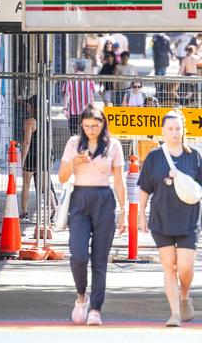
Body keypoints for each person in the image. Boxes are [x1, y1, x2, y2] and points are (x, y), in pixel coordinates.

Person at [138, 110, 202, 327]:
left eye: (177, 128)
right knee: (168, 266)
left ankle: (185, 295)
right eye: (170, 129)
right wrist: (141, 215)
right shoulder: (154, 157)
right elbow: (144, 189)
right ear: (163, 131)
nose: (174, 133)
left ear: (183, 130)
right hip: (161, 219)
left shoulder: (194, 156)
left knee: (185, 267)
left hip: (189, 220)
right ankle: (174, 313)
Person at [58, 105, 126, 326]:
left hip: (104, 199)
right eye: (86, 126)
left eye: (95, 125)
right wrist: (74, 162)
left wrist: (124, 211)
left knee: (99, 259)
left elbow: (118, 180)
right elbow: (61, 177)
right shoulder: (74, 143)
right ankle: (81, 297)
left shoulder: (113, 145)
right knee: (78, 255)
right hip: (80, 198)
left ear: (103, 124)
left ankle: (96, 308)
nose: (91, 130)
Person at [21, 95, 57, 221]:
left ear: (32, 106)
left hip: (31, 155)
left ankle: (24, 214)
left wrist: (22, 159)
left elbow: (27, 142)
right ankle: (54, 210)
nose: (26, 106)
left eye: (28, 104)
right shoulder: (45, 121)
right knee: (46, 186)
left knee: (26, 184)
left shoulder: (30, 121)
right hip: (44, 155)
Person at [63, 61, 95, 136]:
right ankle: (84, 146)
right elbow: (91, 95)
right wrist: (92, 108)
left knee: (73, 132)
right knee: (85, 132)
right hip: (85, 111)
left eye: (74, 66)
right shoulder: (89, 78)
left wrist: (65, 108)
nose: (73, 67)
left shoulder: (70, 78)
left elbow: (67, 94)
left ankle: (76, 146)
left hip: (73, 111)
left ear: (77, 67)